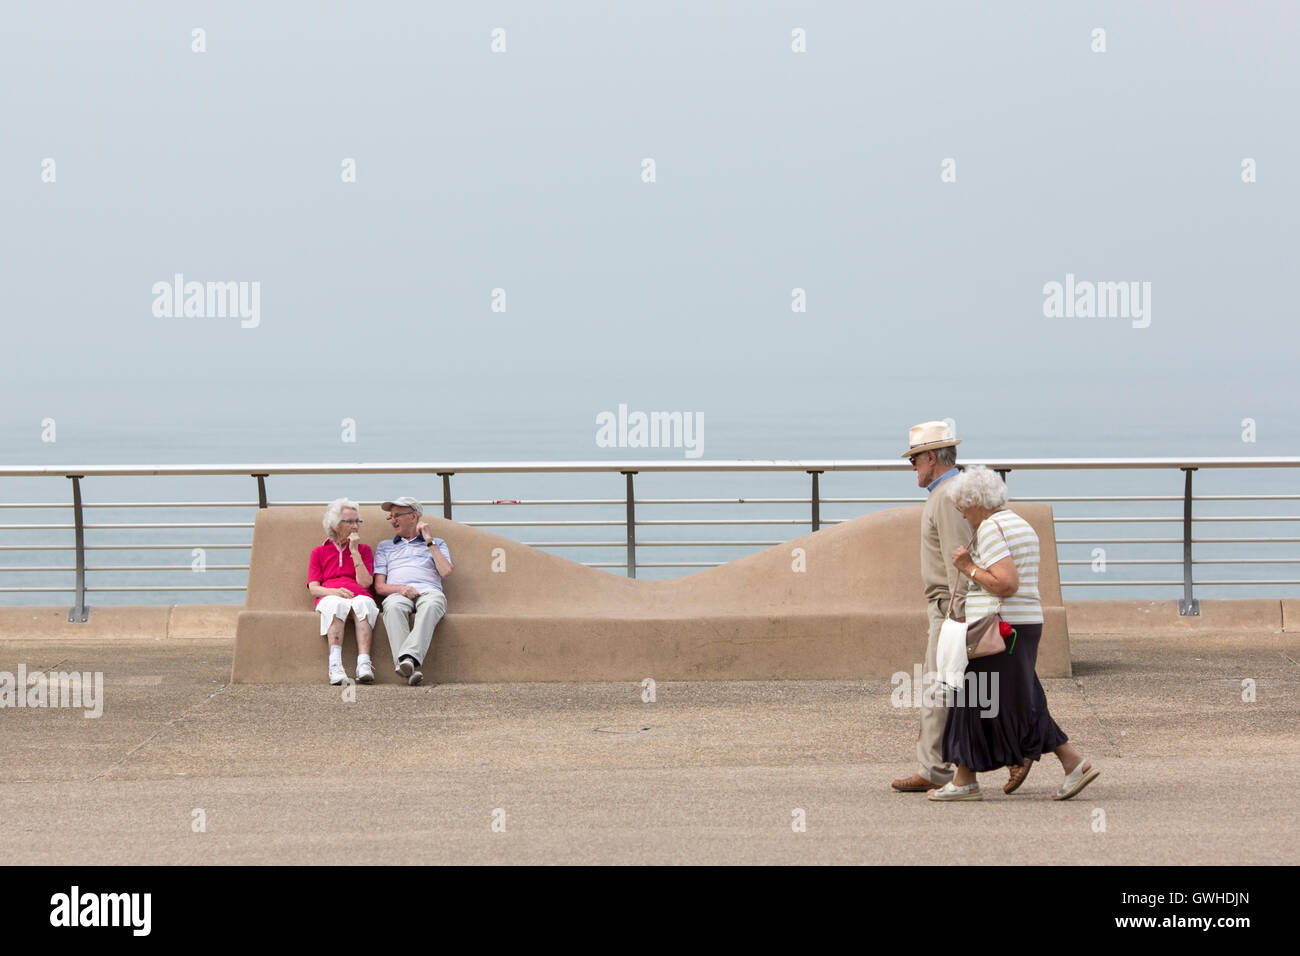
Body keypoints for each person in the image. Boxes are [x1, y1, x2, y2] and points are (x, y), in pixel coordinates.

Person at [928, 465, 1100, 802]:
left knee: (984, 697)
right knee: (1002, 699)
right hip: (1022, 624)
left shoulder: (991, 529)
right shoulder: (1019, 524)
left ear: (976, 500)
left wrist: (968, 568)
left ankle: (1072, 764)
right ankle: (967, 778)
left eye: (963, 505)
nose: (962, 514)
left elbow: (1006, 583)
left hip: (1000, 629)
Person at [891, 421, 971, 793]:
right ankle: (938, 767)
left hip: (949, 606)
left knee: (938, 688)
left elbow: (959, 557)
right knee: (957, 689)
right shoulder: (949, 492)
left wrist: (957, 611)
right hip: (948, 605)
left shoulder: (946, 496)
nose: (913, 468)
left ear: (931, 457)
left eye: (915, 460)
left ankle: (933, 769)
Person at [373, 496, 453, 686]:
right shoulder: (385, 547)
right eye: (390, 517)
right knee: (392, 607)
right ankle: (411, 666)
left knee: (433, 604)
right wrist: (401, 589)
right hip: (398, 593)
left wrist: (428, 540)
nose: (393, 520)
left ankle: (407, 662)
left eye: (397, 516)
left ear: (413, 516)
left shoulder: (437, 543)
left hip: (429, 592)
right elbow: (379, 587)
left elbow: (446, 571)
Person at [307, 498, 378, 685]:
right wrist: (334, 592)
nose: (355, 526)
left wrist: (354, 551)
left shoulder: (364, 550)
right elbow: (314, 588)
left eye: (357, 521)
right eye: (350, 521)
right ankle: (335, 666)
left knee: (364, 604)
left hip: (359, 594)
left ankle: (364, 663)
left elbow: (365, 583)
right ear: (336, 524)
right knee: (336, 605)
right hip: (331, 595)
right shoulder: (319, 552)